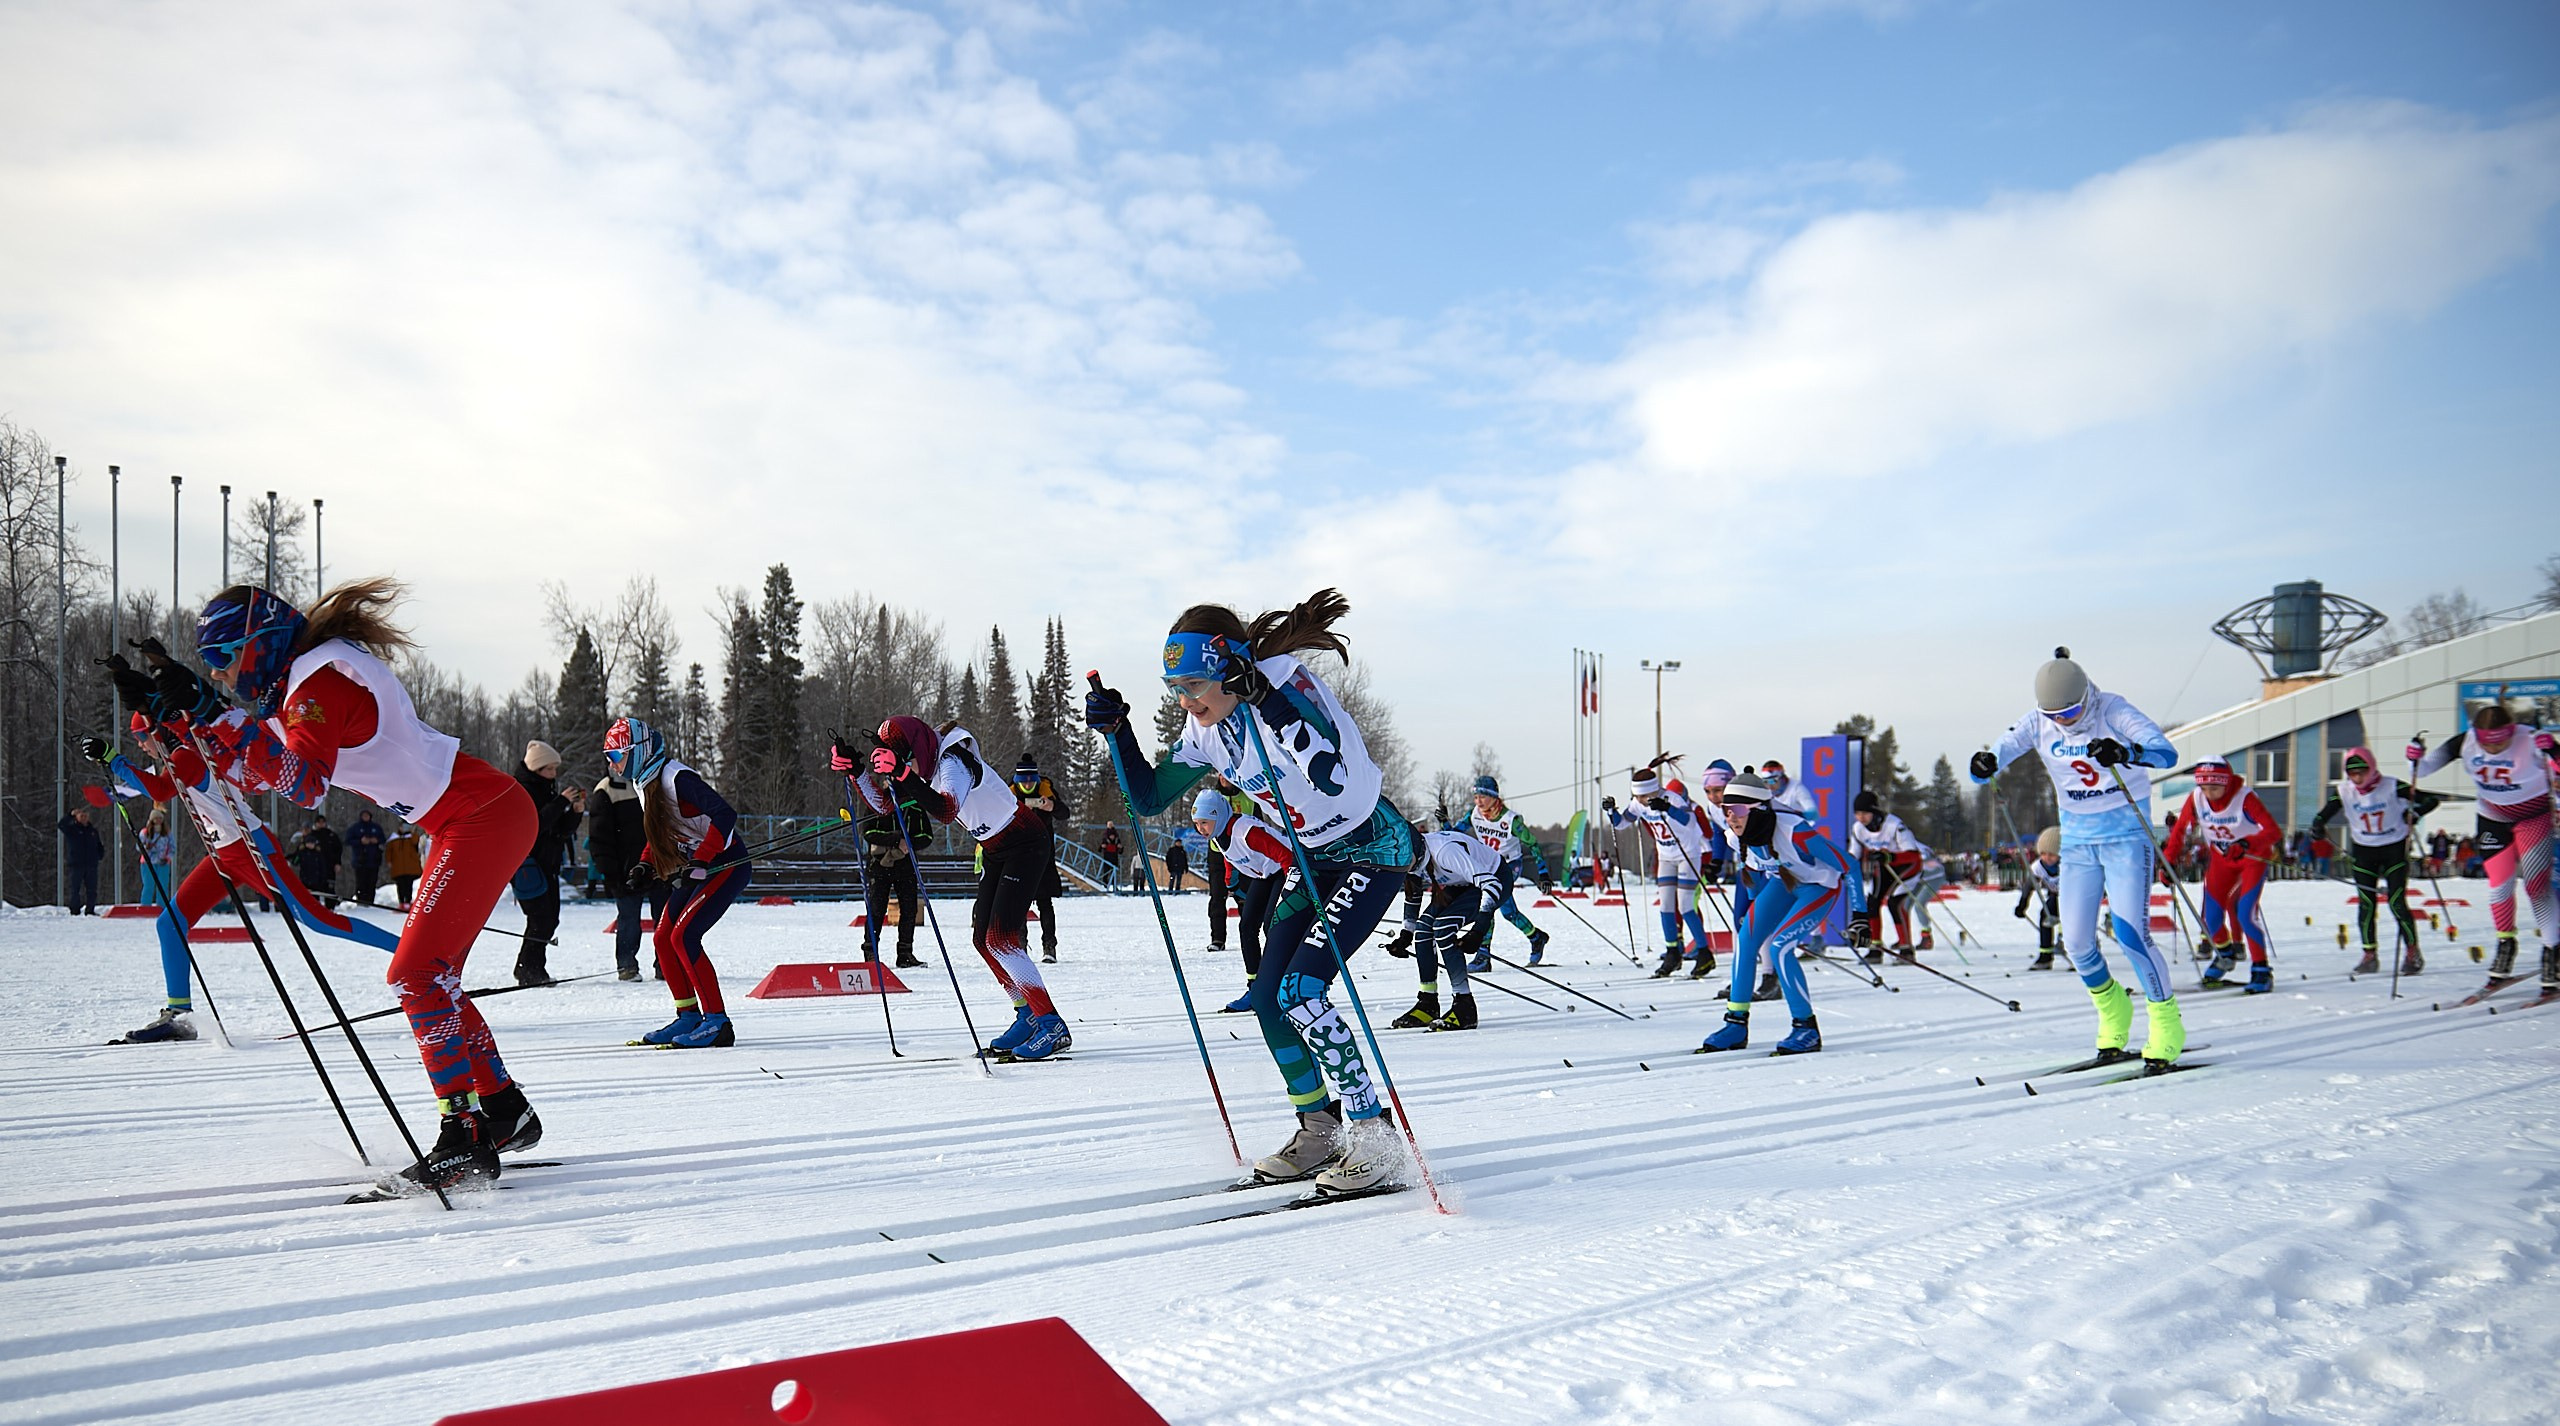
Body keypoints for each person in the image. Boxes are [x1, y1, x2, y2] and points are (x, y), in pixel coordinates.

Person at [178, 580, 543, 1192]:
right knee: (435, 976)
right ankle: (503, 1110)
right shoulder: (304, 685)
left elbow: (302, 785)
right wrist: (188, 725)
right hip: (471, 815)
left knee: (415, 975)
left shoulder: (320, 684)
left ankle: (466, 1136)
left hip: (479, 815)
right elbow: (253, 772)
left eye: (222, 658)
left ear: (260, 644)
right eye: (208, 666)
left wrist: (219, 717)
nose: (219, 675)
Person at [1086, 589, 1418, 1195]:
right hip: (1316, 857)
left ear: (1229, 669)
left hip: (1372, 847)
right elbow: (1149, 798)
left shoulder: (1287, 686)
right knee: (1269, 999)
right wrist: (1119, 733)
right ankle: (1320, 1130)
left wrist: (1264, 699)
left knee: (1302, 991)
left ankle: (1376, 1136)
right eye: (1175, 690)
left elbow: (1334, 776)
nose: (1185, 701)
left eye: (1192, 686)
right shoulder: (1205, 729)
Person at [84, 707, 403, 1044]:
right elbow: (161, 787)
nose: (142, 746)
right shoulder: (180, 757)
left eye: (141, 738)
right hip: (224, 853)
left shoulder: (186, 755)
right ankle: (179, 1015)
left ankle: (411, 954)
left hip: (251, 849)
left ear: (158, 732)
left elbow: (161, 791)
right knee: (169, 922)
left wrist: (114, 760)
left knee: (317, 919)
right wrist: (114, 762)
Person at [1970, 647, 2185, 1071]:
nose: (2063, 720)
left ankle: (2165, 1023)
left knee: (2130, 934)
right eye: (2055, 714)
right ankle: (2113, 1011)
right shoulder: (2039, 720)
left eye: (2070, 711)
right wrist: (1985, 763)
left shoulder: (2113, 709)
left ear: (2086, 695)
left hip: (2125, 836)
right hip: (2079, 842)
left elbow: (2166, 753)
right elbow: (1990, 764)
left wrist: (2126, 752)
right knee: (2077, 942)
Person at [850, 715, 1070, 1060]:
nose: (900, 769)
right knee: (983, 939)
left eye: (901, 760)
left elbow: (948, 810)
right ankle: (1026, 1014)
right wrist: (857, 772)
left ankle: (1051, 1024)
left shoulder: (952, 762)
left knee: (1001, 940)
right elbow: (885, 806)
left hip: (1024, 841)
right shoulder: (925, 768)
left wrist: (904, 775)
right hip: (997, 849)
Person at [604, 717, 746, 1048]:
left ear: (638, 751)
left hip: (726, 863)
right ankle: (688, 1016)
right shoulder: (645, 781)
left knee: (685, 935)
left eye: (616, 755)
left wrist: (701, 858)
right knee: (664, 938)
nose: (612, 764)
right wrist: (644, 864)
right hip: (696, 866)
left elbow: (725, 815)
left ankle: (717, 1022)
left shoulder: (676, 778)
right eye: (608, 757)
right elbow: (663, 830)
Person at [1698, 769, 1855, 1054]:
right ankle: (1736, 1024)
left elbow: (1849, 865)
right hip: (1783, 882)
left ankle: (1806, 1028)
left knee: (1781, 946)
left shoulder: (1795, 831)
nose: (1730, 816)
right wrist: (1752, 910)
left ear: (1758, 809)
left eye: (1737, 809)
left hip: (1818, 886)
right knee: (1745, 939)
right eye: (1725, 809)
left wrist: (1860, 917)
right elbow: (1753, 873)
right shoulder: (1737, 836)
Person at [2411, 702, 2559, 994]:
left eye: (2501, 743)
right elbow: (2424, 770)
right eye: (2486, 743)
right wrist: (2414, 758)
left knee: (2535, 886)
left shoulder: (2530, 739)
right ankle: (2506, 944)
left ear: (2511, 732)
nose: (2493, 749)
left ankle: (2552, 950)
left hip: (2533, 817)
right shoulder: (2464, 742)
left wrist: (2554, 751)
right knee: (2498, 886)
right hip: (2493, 817)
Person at [2308, 747, 2440, 976]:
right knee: (2366, 904)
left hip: (2394, 849)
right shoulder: (2344, 791)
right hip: (2364, 851)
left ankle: (2412, 952)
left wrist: (2415, 814)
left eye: (2362, 772)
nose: (2357, 778)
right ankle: (2369, 955)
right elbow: (2324, 813)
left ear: (2371, 768)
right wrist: (2317, 826)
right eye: (2352, 774)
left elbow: (2430, 800)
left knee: (2397, 902)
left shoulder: (2391, 785)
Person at [2162, 755, 2280, 993]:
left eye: (2214, 788)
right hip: (2222, 860)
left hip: (2251, 860)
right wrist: (2168, 863)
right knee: (2211, 918)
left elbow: (2273, 832)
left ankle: (2261, 969)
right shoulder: (2196, 799)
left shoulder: (2244, 797)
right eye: (2204, 787)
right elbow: (2180, 832)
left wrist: (2247, 843)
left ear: (2226, 783)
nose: (2209, 793)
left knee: (2246, 914)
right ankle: (2225, 953)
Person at [1390, 823, 1508, 1032]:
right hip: (1461, 883)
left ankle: (1465, 1007)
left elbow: (1491, 885)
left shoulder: (1446, 852)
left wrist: (1478, 930)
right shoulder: (1414, 858)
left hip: (1494, 879)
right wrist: (1406, 934)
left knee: (1443, 927)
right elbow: (1413, 893)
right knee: (1424, 930)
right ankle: (1428, 1002)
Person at [1604, 766, 1714, 979]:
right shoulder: (1638, 803)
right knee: (1665, 906)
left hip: (1687, 854)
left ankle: (1704, 952)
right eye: (1638, 796)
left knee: (1685, 905)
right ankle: (1672, 952)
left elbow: (1690, 823)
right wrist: (1611, 811)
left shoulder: (1672, 799)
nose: (1642, 800)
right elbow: (1621, 823)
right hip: (1666, 856)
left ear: (1655, 791)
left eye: (1645, 796)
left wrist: (1667, 809)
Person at [1194, 786, 1289, 1013]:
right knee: (1247, 926)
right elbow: (1229, 857)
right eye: (1197, 824)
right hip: (1265, 874)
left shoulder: (1245, 831)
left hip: (1286, 869)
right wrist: (1231, 882)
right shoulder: (1218, 835)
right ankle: (1255, 987)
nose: (1200, 829)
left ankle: (1281, 986)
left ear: (1217, 815)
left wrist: (1293, 890)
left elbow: (1286, 855)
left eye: (1204, 822)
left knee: (1271, 925)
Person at [1460, 775, 1555, 968]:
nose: (1479, 801)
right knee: (1509, 912)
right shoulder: (1474, 814)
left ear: (1494, 797)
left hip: (1511, 866)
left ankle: (1483, 955)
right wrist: (1443, 821)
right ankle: (1536, 937)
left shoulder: (1511, 820)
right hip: (1489, 866)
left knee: (1488, 902)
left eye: (1483, 797)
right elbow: (1455, 831)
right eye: (1476, 797)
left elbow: (1533, 844)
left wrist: (1543, 873)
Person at [853, 748, 931, 970]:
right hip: (880, 865)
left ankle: (905, 953)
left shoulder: (914, 804)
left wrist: (910, 844)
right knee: (876, 909)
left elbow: (926, 836)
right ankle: (871, 953)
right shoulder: (878, 803)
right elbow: (867, 833)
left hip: (906, 865)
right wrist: (896, 839)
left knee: (909, 910)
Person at [509, 740, 576, 988]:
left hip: (547, 864)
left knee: (549, 919)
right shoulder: (522, 791)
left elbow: (558, 831)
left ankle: (531, 967)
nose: (554, 773)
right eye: (549, 768)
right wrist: (560, 803)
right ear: (536, 768)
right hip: (527, 865)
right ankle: (528, 970)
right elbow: (535, 825)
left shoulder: (547, 790)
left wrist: (574, 812)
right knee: (540, 919)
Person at [585, 768, 660, 980]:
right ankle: (626, 965)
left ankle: (665, 964)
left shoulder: (653, 783)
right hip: (625, 870)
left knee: (665, 917)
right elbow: (599, 837)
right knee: (628, 919)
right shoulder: (607, 790)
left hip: (659, 865)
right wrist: (609, 874)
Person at [1851, 789, 1927, 958]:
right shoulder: (1858, 829)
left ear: (1875, 811)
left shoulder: (1894, 825)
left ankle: (1906, 948)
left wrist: (1889, 856)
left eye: (1865, 813)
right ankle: (1875, 947)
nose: (1861, 818)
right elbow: (1853, 854)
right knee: (1872, 902)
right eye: (1857, 813)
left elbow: (1912, 854)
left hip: (1907, 868)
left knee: (1895, 903)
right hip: (1884, 868)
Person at [1009, 757, 1065, 960]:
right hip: (1019, 857)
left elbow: (1064, 813)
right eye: (1022, 782)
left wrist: (1052, 806)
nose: (1027, 785)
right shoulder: (1010, 793)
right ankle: (1021, 947)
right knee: (1019, 905)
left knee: (1045, 903)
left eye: (1030, 781)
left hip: (1043, 856)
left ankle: (1049, 947)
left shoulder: (1046, 790)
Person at [2013, 826, 2063, 971]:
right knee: (2045, 916)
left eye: (2052, 855)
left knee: (2069, 921)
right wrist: (2022, 905)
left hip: (2075, 898)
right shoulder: (2038, 867)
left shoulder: (2069, 865)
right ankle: (2045, 955)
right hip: (2056, 895)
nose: (2047, 858)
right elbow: (2029, 886)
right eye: (2043, 854)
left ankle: (2076, 951)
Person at [57, 806, 105, 914]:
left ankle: (90, 910)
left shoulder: (92, 831)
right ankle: (75, 910)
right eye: (81, 815)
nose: (84, 818)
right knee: (75, 889)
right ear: (77, 817)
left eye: (85, 815)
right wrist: (70, 815)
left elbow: (98, 844)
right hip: (76, 864)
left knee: (92, 890)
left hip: (91, 864)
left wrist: (99, 855)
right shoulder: (72, 829)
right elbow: (61, 825)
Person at [292, 813, 343, 909]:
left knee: (329, 888)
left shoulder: (331, 835)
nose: (321, 824)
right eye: (319, 822)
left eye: (322, 822)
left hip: (329, 865)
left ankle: (330, 908)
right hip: (313, 866)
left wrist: (338, 863)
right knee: (313, 890)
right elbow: (299, 852)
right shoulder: (311, 835)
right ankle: (313, 907)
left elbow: (338, 850)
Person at [345, 809, 387, 908]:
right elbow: (347, 840)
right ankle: (361, 901)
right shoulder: (355, 828)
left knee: (372, 882)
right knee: (361, 882)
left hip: (373, 860)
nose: (365, 817)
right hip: (360, 860)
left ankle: (370, 902)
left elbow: (383, 839)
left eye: (367, 816)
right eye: (364, 816)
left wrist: (376, 840)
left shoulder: (376, 827)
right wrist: (360, 841)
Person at [137, 812, 174, 909]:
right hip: (148, 863)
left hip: (163, 862)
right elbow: (138, 846)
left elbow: (172, 847)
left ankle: (162, 906)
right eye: (156, 818)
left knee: (162, 886)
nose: (158, 820)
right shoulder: (145, 832)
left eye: (160, 818)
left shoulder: (167, 833)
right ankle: (145, 906)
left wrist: (168, 857)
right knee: (148, 885)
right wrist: (146, 847)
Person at [383, 821, 424, 910]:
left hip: (410, 866)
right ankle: (401, 902)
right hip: (398, 866)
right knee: (400, 885)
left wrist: (412, 832)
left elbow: (416, 843)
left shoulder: (411, 837)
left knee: (409, 885)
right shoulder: (394, 839)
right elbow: (389, 851)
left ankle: (408, 901)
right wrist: (389, 861)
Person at [1096, 824, 1124, 891]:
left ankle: (1114, 886)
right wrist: (1101, 847)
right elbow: (1099, 850)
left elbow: (1120, 852)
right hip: (1107, 858)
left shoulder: (1117, 840)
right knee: (1105, 873)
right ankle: (1105, 885)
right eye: (1111, 836)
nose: (1112, 837)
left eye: (1113, 836)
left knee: (1113, 874)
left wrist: (1121, 848)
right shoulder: (1105, 839)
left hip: (1114, 858)